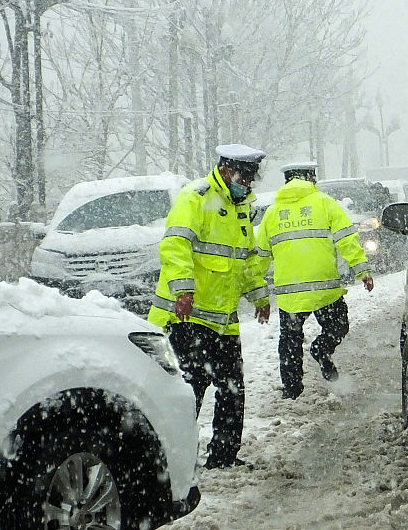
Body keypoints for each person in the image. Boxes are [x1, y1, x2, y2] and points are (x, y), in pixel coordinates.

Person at [147, 144, 272, 469]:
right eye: (245, 178)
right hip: (186, 317)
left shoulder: (241, 208)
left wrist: (259, 295)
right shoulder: (196, 198)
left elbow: (246, 261)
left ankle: (223, 457)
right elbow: (175, 245)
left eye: (251, 180)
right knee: (190, 391)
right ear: (228, 171)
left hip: (222, 320)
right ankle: (175, 462)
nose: (248, 185)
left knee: (232, 390)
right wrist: (183, 289)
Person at [255, 162, 374, 399]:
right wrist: (362, 270)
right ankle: (321, 348)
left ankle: (292, 391)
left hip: (290, 294)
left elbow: (260, 258)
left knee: (290, 342)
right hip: (324, 289)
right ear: (311, 179)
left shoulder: (272, 213)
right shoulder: (325, 203)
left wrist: (258, 295)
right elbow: (346, 239)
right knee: (337, 327)